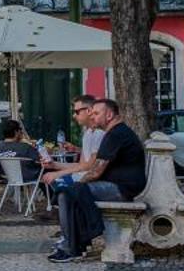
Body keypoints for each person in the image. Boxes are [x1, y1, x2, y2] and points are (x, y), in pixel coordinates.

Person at [46, 97, 146, 262]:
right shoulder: (115, 133)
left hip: (123, 189)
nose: (92, 117)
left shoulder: (115, 134)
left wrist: (78, 184)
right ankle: (78, 243)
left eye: (96, 113)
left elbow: (96, 171)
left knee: (67, 193)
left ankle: (72, 247)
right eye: (91, 113)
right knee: (68, 192)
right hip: (119, 186)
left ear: (109, 115)